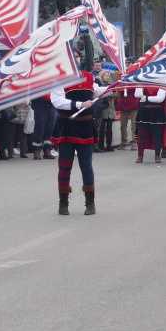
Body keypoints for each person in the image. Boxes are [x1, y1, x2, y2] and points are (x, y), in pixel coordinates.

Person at [50, 59, 108, 216]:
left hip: (85, 127)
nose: (74, 60)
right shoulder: (60, 78)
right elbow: (57, 101)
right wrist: (79, 105)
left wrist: (115, 86)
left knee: (86, 166)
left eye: (76, 57)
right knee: (64, 167)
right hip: (67, 127)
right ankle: (63, 203)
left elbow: (97, 91)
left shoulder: (89, 77)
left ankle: (90, 203)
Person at [135, 85, 166, 164]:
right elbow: (137, 95)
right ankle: (140, 156)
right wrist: (140, 85)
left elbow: (160, 98)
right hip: (144, 112)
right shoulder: (142, 83)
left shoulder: (161, 84)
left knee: (157, 135)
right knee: (141, 135)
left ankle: (157, 156)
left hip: (157, 112)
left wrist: (146, 98)